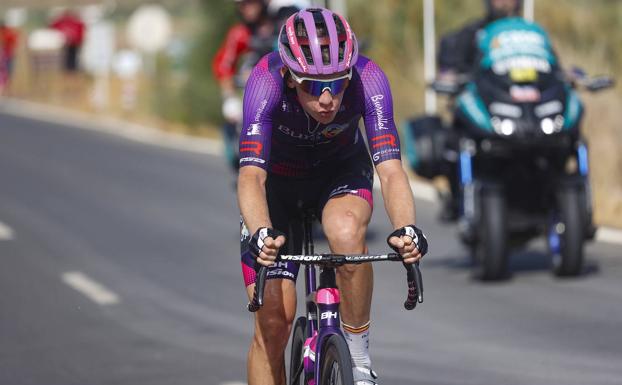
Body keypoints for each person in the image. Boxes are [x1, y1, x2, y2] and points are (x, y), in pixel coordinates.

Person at [238, 8, 428, 385]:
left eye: (338, 83)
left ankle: (357, 360)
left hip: (338, 174)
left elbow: (390, 171)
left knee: (345, 233)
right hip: (276, 186)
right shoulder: (265, 81)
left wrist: (407, 228)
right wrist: (261, 231)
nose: (327, 98)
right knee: (275, 322)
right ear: (289, 77)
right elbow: (251, 177)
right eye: (312, 84)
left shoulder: (369, 79)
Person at [435, 0, 523, 220]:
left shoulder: (528, 34)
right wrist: (451, 76)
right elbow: (451, 64)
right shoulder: (474, 33)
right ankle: (457, 196)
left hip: (525, 115)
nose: (504, 2)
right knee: (455, 137)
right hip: (487, 113)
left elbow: (551, 67)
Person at [0, 21, 18, 93]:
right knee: (6, 72)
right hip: (6, 55)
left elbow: (13, 42)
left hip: (8, 55)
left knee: (8, 72)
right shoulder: (7, 33)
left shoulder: (9, 33)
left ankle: (7, 88)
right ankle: (6, 87)